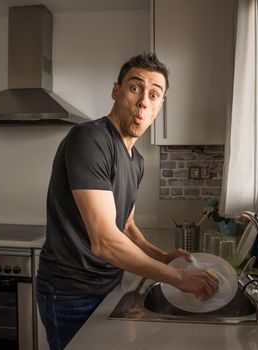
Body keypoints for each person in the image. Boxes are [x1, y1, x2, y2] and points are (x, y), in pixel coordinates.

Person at [36, 53, 219, 350]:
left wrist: (161, 256)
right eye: (135, 88)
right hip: (70, 293)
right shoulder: (90, 140)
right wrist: (177, 278)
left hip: (108, 286)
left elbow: (126, 225)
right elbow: (105, 242)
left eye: (154, 94)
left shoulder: (136, 161)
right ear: (116, 91)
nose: (143, 101)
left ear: (159, 106)